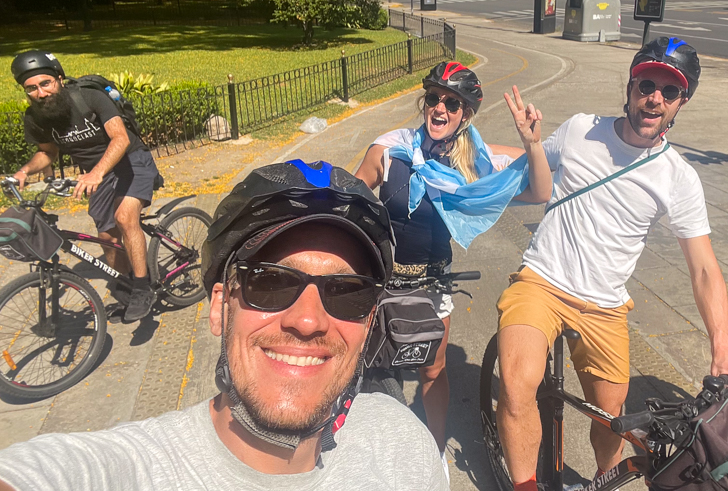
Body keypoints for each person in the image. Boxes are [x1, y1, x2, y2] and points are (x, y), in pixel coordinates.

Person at [0, 159, 448, 491]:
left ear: (369, 322)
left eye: (347, 292)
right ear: (219, 307)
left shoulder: (403, 441)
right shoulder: (130, 469)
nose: (308, 320)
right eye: (270, 282)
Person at [495, 37, 728, 491]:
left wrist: (721, 348)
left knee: (611, 420)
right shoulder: (583, 128)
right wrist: (465, 151)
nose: (654, 98)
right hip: (541, 281)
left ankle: (603, 479)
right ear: (630, 85)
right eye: (646, 84)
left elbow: (703, 268)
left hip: (604, 306)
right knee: (517, 384)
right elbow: (530, 164)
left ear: (682, 101)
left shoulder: (678, 177)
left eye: (669, 91)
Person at [355, 61, 552, 474]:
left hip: (433, 284)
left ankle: (435, 451)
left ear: (465, 115)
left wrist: (532, 143)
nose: (440, 109)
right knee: (369, 366)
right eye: (434, 98)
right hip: (383, 282)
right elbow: (352, 204)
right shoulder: (390, 151)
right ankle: (368, 444)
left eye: (452, 103)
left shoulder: (474, 164)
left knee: (432, 370)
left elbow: (538, 190)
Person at [10, 50, 161, 321]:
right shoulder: (36, 117)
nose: (41, 93)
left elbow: (120, 138)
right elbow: (47, 152)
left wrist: (97, 173)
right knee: (107, 237)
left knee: (125, 219)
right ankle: (125, 284)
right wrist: (23, 171)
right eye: (31, 88)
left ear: (59, 78)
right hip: (97, 173)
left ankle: (142, 287)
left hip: (130, 159)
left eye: (46, 83)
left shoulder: (89, 97)